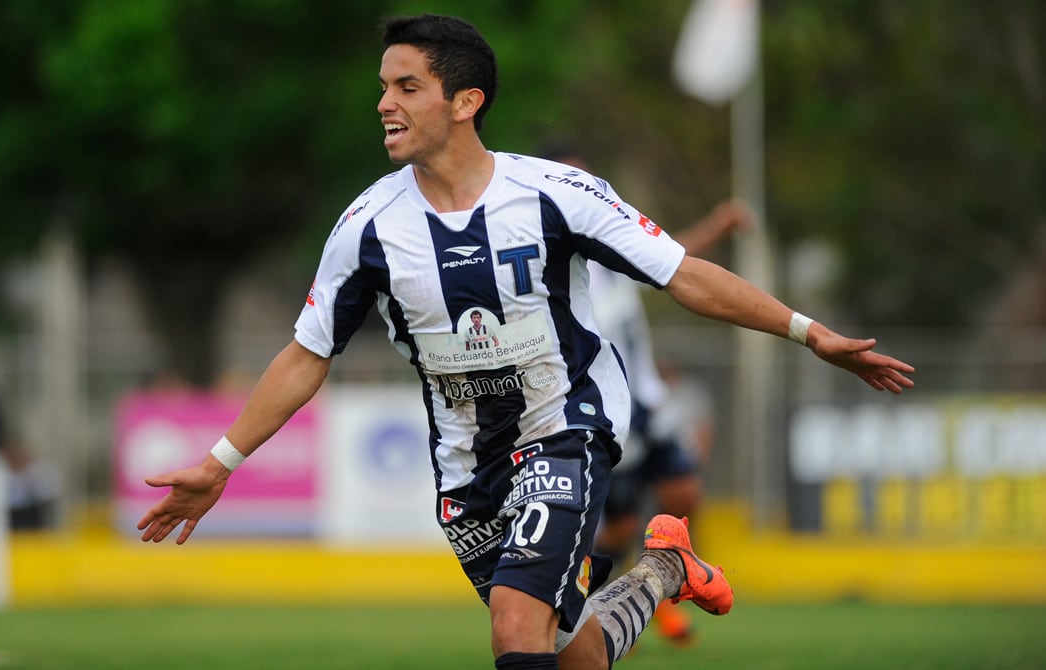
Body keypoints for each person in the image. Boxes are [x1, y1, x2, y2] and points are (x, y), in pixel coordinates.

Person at [137, 14, 915, 670]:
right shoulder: (366, 227)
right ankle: (666, 567)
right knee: (569, 654)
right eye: (382, 86)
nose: (384, 103)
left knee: (515, 627)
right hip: (465, 466)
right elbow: (307, 353)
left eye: (406, 86)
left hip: (565, 427)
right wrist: (219, 465)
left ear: (465, 100)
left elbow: (683, 274)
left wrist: (810, 334)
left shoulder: (555, 194)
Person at [542, 144, 750, 644]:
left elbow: (673, 258)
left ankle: (671, 576)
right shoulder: (552, 265)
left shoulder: (610, 247)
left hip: (647, 404)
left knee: (684, 493)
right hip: (603, 410)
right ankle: (610, 607)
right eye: (570, 180)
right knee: (615, 529)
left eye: (587, 180)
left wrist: (719, 227)